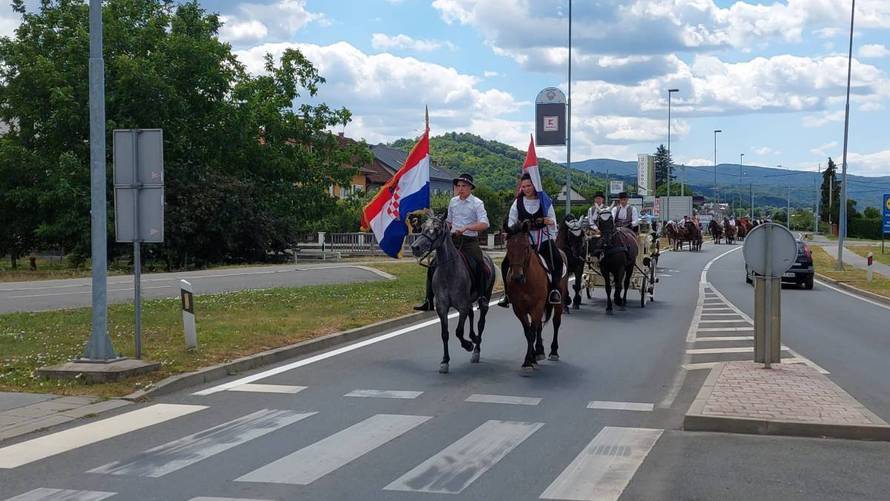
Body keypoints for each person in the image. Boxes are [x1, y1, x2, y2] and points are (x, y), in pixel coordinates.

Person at [414, 173, 491, 311]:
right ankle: (429, 300)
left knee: (480, 264)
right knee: (433, 264)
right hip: (452, 240)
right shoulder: (453, 202)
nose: (460, 188)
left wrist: (467, 227)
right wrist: (440, 227)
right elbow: (449, 221)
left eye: (464, 186)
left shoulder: (477, 203)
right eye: (458, 186)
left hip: (469, 241)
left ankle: (481, 297)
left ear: (470, 188)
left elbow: (484, 224)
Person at [498, 173, 562, 307]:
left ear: (535, 185)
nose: (526, 189)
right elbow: (512, 221)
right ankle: (507, 294)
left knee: (557, 259)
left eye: (529, 185)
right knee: (505, 263)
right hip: (523, 240)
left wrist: (549, 222)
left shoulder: (544, 200)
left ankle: (555, 289)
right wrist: (512, 233)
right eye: (524, 186)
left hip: (543, 237)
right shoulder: (518, 202)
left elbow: (552, 219)